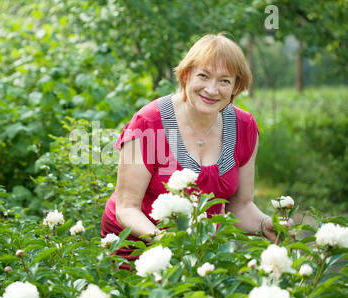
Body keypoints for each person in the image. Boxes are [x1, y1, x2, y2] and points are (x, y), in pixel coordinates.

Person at [100, 32, 292, 267]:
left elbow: (240, 205)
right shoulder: (147, 122)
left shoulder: (244, 127)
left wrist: (264, 225)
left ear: (236, 87)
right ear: (186, 75)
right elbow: (126, 208)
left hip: (200, 250)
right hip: (136, 247)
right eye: (203, 75)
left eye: (224, 81)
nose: (212, 89)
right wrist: (165, 241)